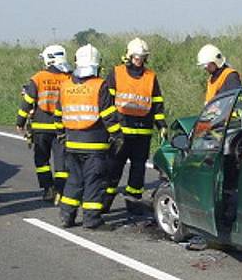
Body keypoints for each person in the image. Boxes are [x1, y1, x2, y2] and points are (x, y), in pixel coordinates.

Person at [56, 44, 122, 230]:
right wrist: (117, 135)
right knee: (94, 180)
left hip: (71, 143)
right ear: (97, 64)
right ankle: (91, 219)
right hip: (94, 144)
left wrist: (61, 134)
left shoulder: (66, 85)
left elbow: (58, 114)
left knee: (74, 180)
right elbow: (109, 115)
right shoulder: (100, 85)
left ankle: (66, 216)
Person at [104, 37, 167, 214]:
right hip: (121, 132)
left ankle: (133, 204)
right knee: (114, 167)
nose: (139, 61)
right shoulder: (116, 73)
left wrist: (161, 124)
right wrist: (109, 127)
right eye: (136, 57)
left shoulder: (150, 77)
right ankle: (104, 203)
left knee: (138, 170)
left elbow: (157, 102)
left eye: (142, 57)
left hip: (143, 131)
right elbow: (106, 102)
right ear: (129, 56)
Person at [16, 44, 72, 202]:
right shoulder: (69, 77)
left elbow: (27, 102)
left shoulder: (38, 77)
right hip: (62, 127)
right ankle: (61, 191)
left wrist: (20, 122)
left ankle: (48, 189)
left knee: (42, 160)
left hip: (41, 127)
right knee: (61, 161)